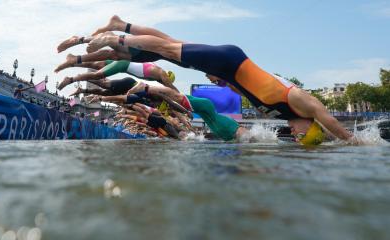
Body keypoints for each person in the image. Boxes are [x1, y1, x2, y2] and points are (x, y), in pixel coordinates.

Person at [78, 15, 356, 145]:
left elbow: (250, 88)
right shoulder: (299, 102)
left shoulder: (285, 115)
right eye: (302, 136)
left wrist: (226, 84)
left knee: (170, 45)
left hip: (228, 72)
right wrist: (354, 142)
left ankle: (120, 25)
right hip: (230, 61)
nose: (296, 137)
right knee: (168, 50)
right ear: (310, 127)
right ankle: (115, 38)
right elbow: (328, 118)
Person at [55, 57, 177, 90]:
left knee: (96, 65)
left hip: (123, 63)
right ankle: (70, 79)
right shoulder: (159, 72)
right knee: (98, 75)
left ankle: (73, 62)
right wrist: (180, 97)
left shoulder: (156, 71)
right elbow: (169, 87)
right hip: (123, 65)